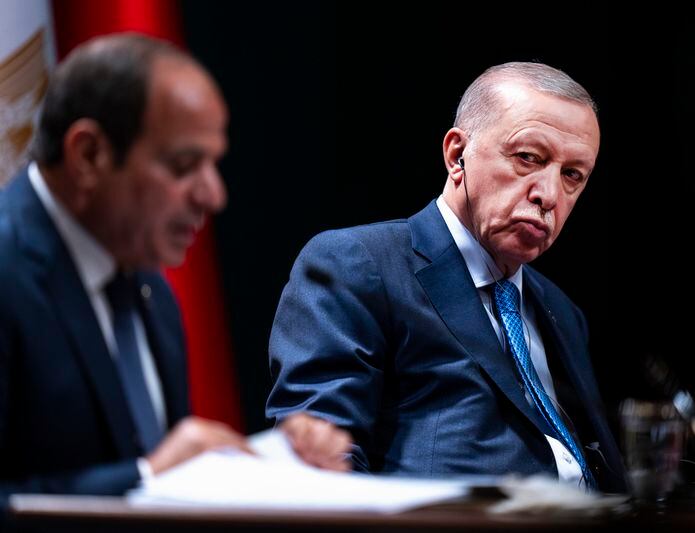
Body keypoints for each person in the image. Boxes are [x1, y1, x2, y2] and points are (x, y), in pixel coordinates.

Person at [0, 33, 351, 509]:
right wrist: (147, 475)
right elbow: (148, 476)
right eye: (184, 165)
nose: (213, 195)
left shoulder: (150, 292)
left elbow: (162, 489)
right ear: (88, 155)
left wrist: (272, 464)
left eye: (213, 163)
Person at [267, 62, 627, 492]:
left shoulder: (561, 311)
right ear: (457, 155)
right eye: (528, 158)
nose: (548, 195)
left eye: (572, 175)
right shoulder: (360, 265)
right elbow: (318, 460)